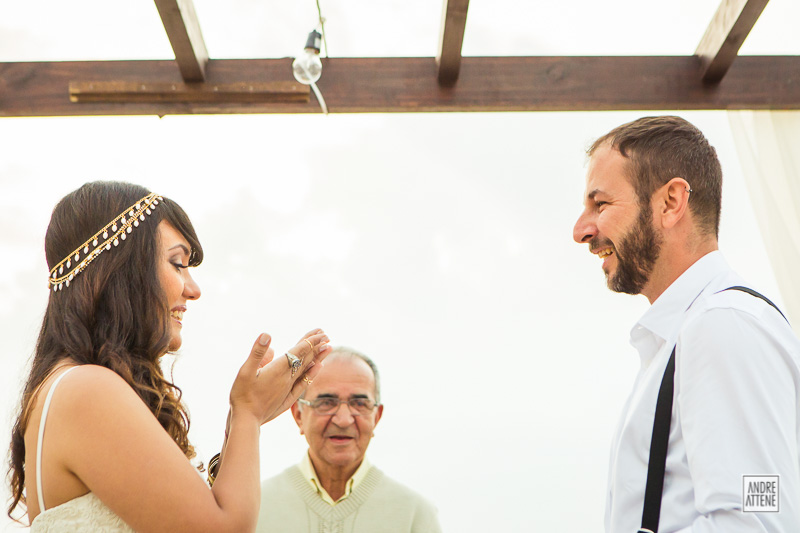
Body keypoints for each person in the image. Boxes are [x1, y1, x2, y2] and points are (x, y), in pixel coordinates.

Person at [7, 181, 332, 532]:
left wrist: (237, 427)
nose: (193, 289)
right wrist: (247, 413)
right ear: (120, 269)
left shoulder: (67, 386)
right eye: (177, 264)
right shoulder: (86, 389)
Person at [572, 116, 800, 532]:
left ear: (671, 202)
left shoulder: (723, 328)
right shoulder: (694, 331)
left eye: (600, 204)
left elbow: (758, 518)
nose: (581, 230)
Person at [256, 347, 442, 533]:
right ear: (298, 415)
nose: (344, 420)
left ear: (376, 417)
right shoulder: (255, 509)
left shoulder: (415, 516)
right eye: (326, 402)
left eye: (360, 403)